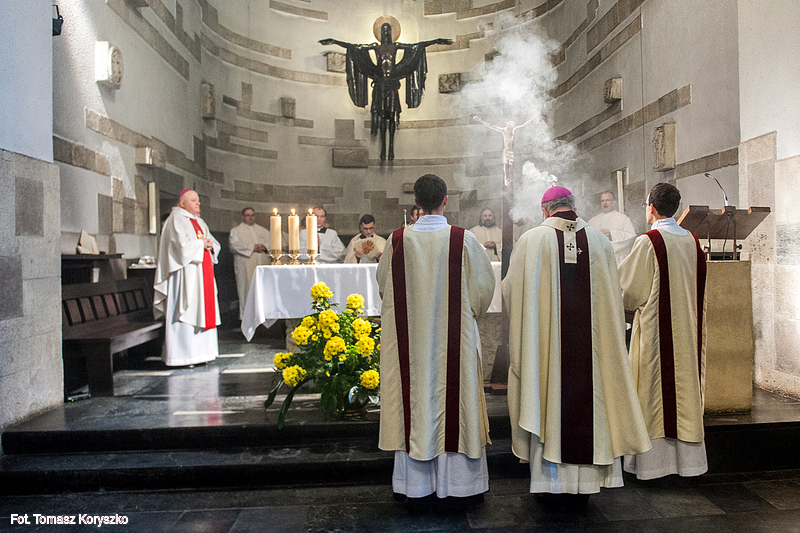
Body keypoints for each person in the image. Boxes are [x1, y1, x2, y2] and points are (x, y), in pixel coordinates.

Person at [503, 185, 650, 502]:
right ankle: (587, 484)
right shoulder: (599, 241)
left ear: (545, 210)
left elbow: (512, 293)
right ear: (574, 207)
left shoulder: (531, 240)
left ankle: (550, 484)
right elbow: (614, 301)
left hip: (549, 356)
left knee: (550, 400)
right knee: (592, 403)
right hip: (591, 359)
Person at [377, 174, 496, 509]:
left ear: (416, 202)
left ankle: (415, 486)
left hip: (411, 344)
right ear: (446, 200)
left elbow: (385, 287)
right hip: (454, 343)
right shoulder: (464, 239)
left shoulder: (397, 240)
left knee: (414, 402)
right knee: (457, 405)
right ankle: (460, 486)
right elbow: (483, 290)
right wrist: (467, 312)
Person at [619, 182, 708, 480]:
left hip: (657, 334)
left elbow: (629, 292)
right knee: (685, 393)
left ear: (652, 208)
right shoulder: (693, 241)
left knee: (654, 393)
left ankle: (654, 467)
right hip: (688, 332)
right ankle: (689, 465)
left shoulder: (650, 242)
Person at [154, 189, 220, 366]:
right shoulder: (175, 219)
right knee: (186, 310)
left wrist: (210, 245)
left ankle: (202, 354)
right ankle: (182, 357)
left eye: (198, 200)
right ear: (182, 203)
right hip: (185, 276)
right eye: (193, 200)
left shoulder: (199, 221)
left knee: (202, 309)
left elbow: (213, 243)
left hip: (202, 274)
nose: (198, 203)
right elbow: (180, 248)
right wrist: (201, 243)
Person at [229, 207, 270, 319]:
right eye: (247, 215)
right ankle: (247, 317)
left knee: (262, 289)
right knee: (246, 289)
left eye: (252, 215)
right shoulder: (236, 231)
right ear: (243, 217)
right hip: (245, 265)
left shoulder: (263, 230)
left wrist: (264, 246)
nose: (250, 217)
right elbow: (234, 245)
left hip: (261, 264)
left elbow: (271, 242)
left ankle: (264, 316)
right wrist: (252, 248)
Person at [588, 191, 637, 265]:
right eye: (602, 201)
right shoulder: (592, 221)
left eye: (607, 200)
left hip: (617, 259)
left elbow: (631, 236)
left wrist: (612, 234)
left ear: (614, 202)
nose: (604, 203)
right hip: (599, 260)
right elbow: (588, 239)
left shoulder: (623, 218)